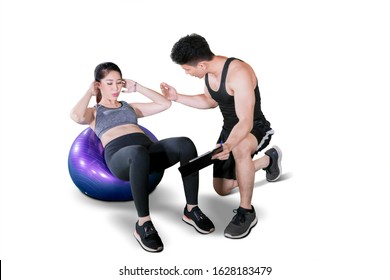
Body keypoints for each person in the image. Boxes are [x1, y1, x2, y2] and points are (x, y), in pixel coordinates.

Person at [70, 62, 214, 253]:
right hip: (121, 158)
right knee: (137, 152)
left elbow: (165, 103)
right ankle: (143, 223)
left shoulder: (131, 107)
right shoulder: (95, 113)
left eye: (119, 83)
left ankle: (191, 209)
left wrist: (138, 87)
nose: (116, 88)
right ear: (99, 85)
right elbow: (76, 116)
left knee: (185, 143)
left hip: (147, 151)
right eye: (110, 83)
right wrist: (89, 92)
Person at [160, 34, 282, 239]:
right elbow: (209, 101)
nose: (187, 73)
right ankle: (268, 160)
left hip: (254, 127)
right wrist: (177, 97)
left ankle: (246, 212)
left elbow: (245, 121)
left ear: (201, 65)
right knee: (222, 188)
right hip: (229, 132)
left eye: (187, 69)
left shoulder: (239, 72)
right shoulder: (208, 74)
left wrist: (229, 145)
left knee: (240, 148)